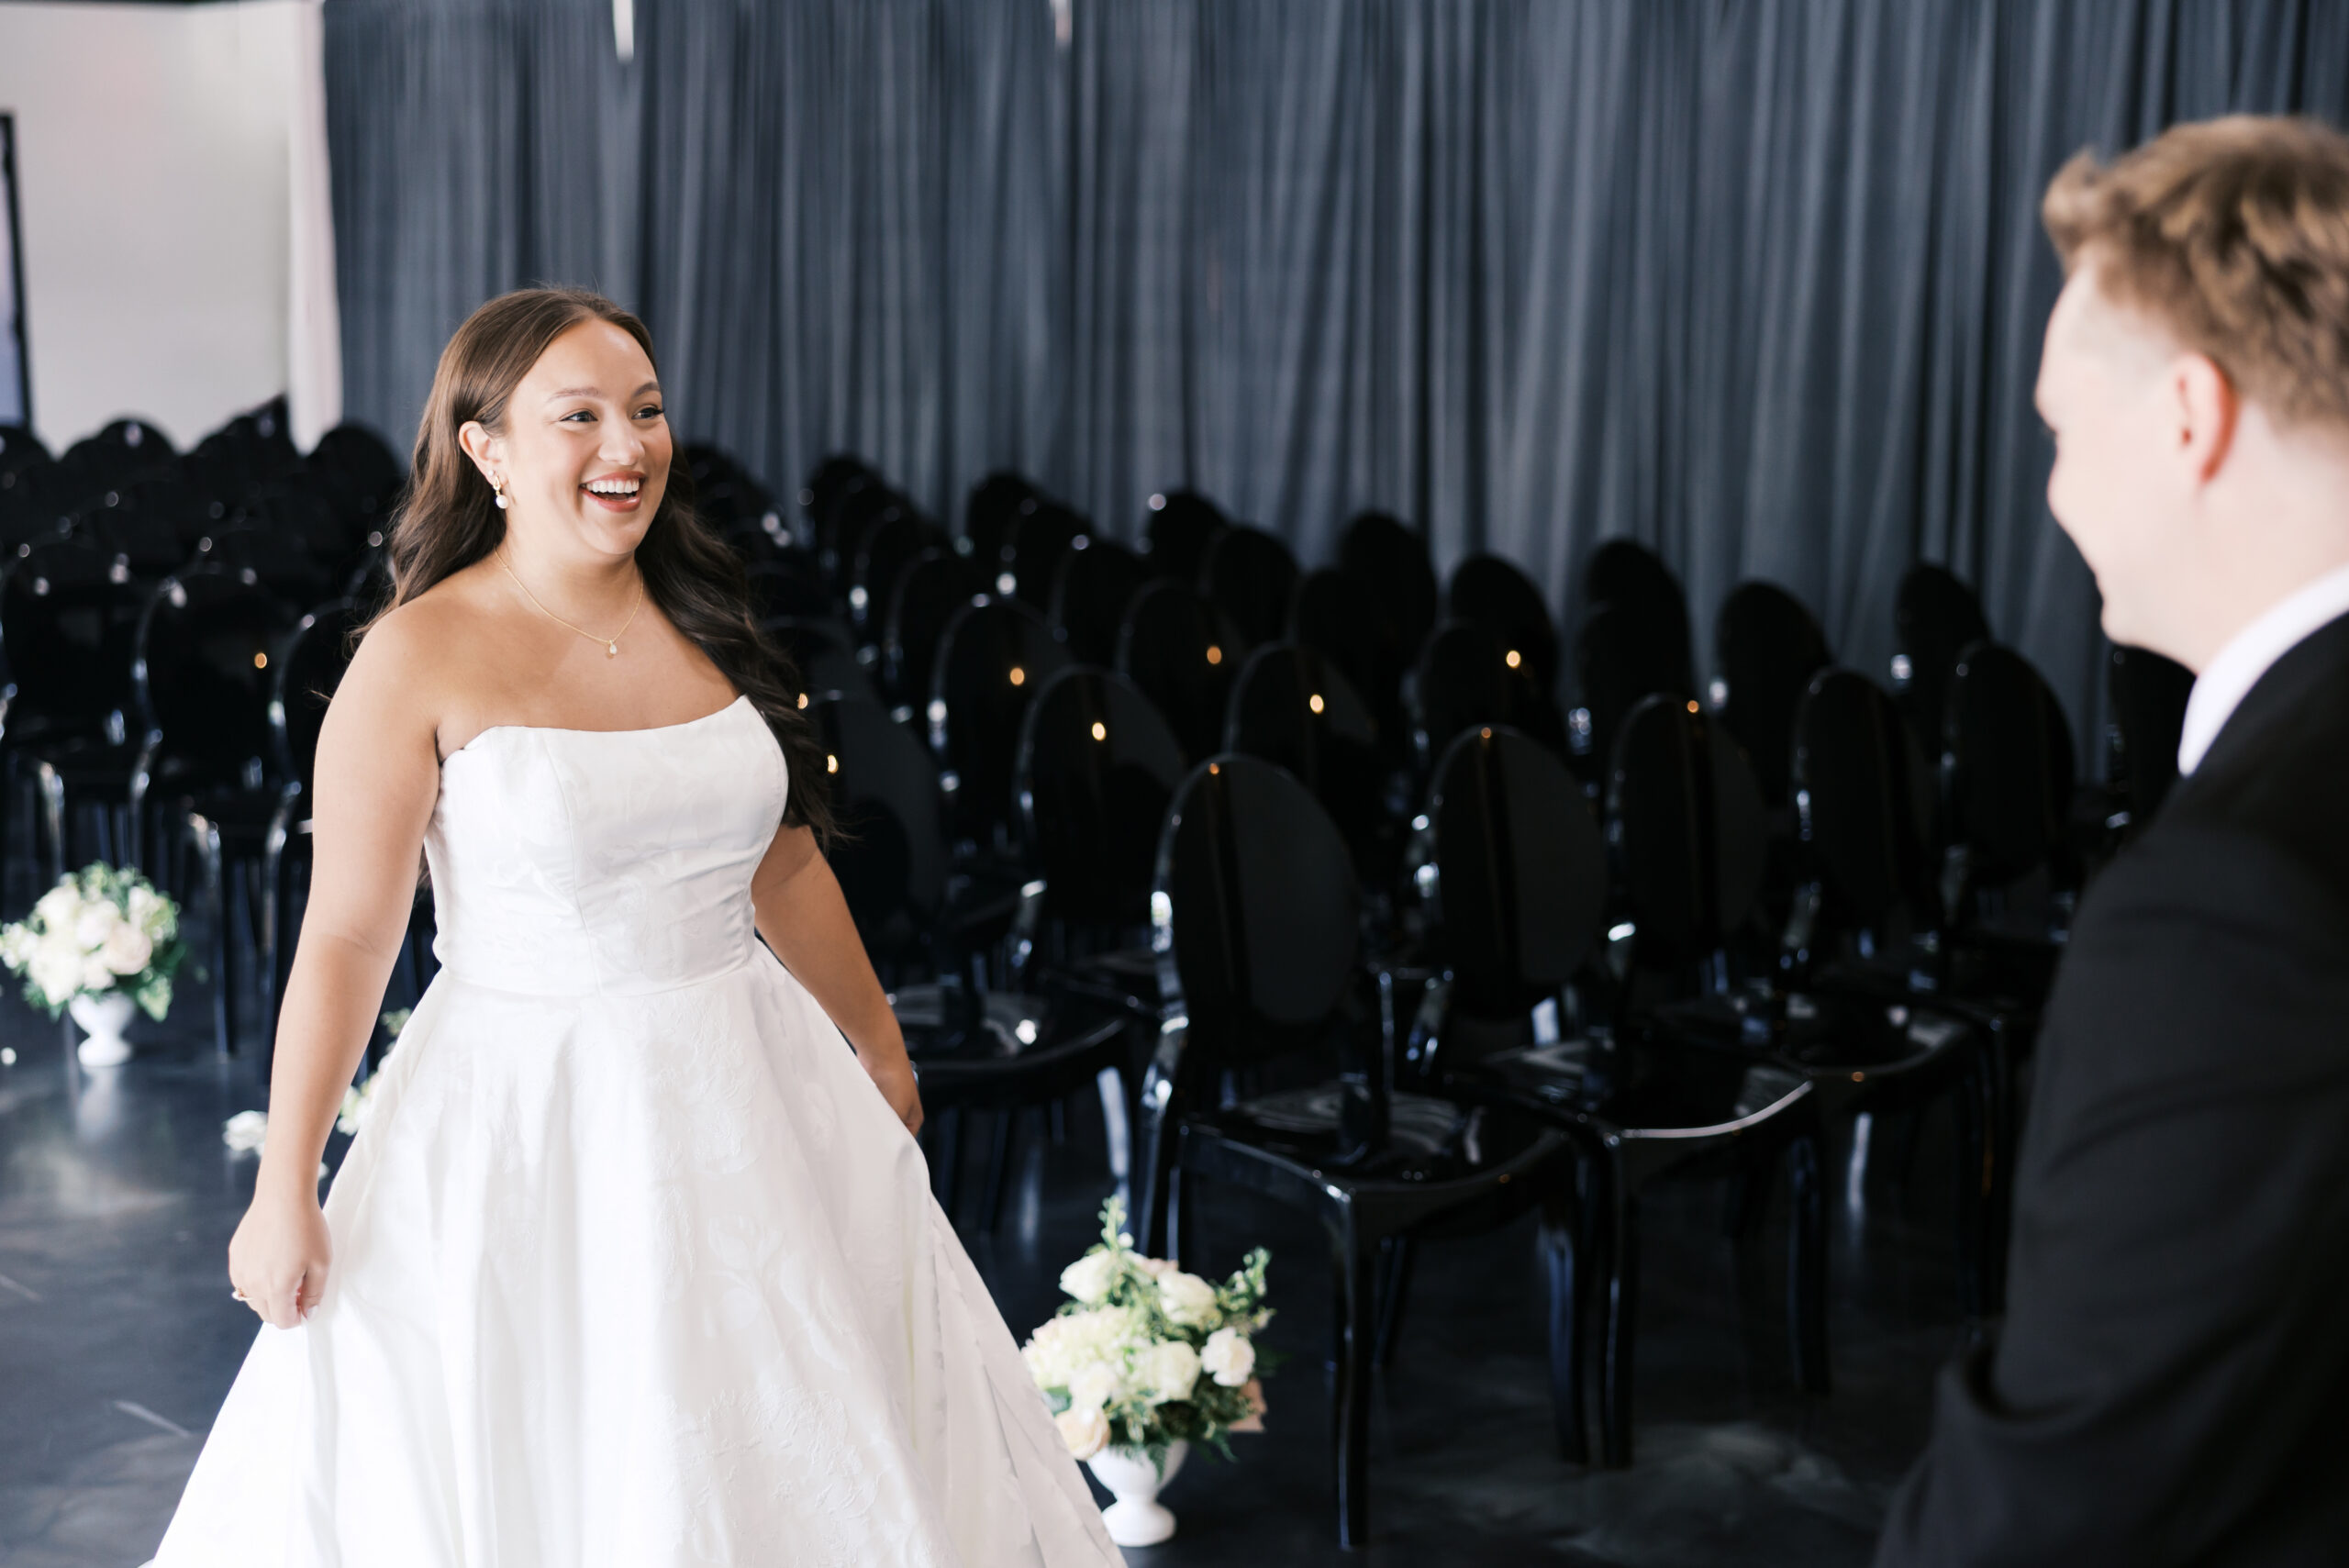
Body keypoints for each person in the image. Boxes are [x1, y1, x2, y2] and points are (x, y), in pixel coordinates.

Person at [151, 288, 1123, 1566]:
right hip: (530, 1115)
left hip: (752, 1091)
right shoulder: (416, 656)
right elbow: (343, 935)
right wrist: (287, 1183)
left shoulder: (709, 622)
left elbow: (780, 860)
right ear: (487, 447)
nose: (629, 446)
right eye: (582, 416)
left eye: (647, 410)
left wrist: (876, 1043)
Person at [1877, 116, 2349, 1565]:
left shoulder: (2228, 907)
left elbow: (2054, 1508)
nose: (2055, 491)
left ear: (2191, 417)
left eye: (2065, 432)